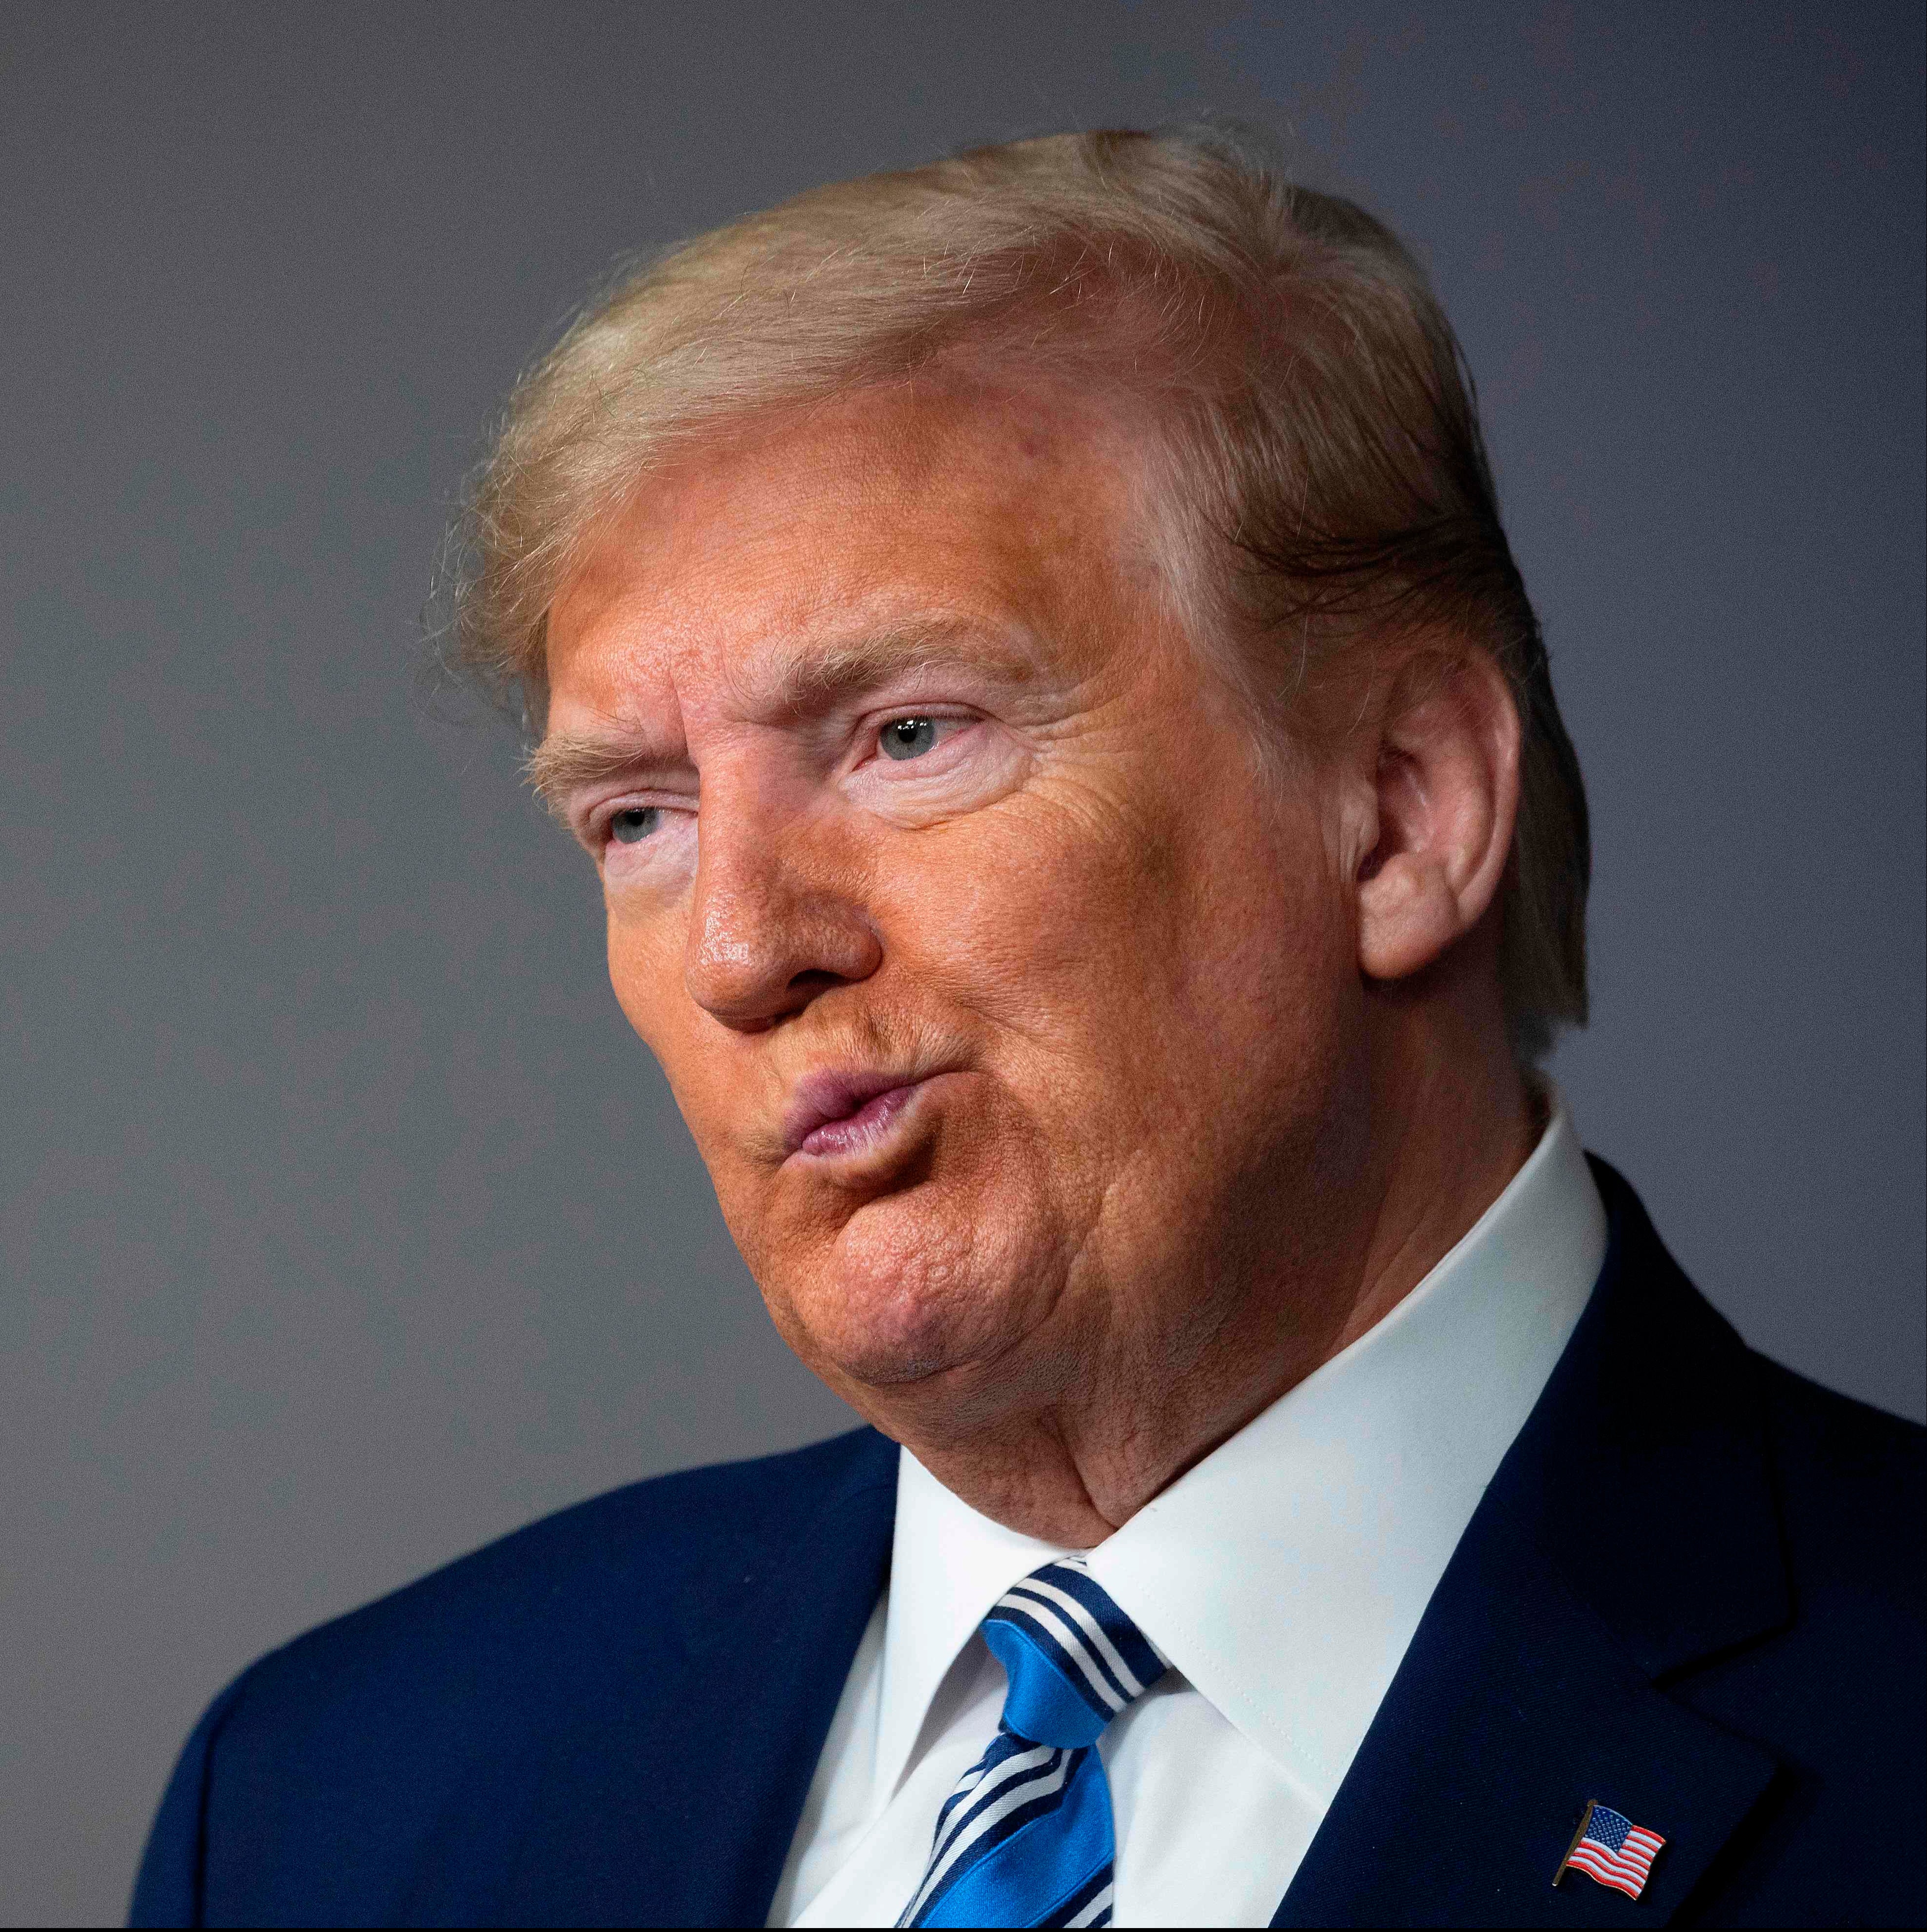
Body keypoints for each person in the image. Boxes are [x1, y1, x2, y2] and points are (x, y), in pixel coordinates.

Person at [129, 130, 1923, 1928]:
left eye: (906, 736)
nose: (740, 952)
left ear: (1400, 809)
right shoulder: (321, 1805)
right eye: (640, 819)